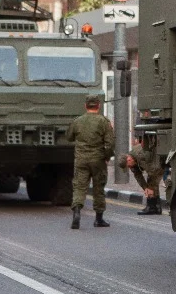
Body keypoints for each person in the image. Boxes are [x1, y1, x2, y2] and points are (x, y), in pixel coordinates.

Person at [66, 95, 114, 229]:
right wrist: (107, 156)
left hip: (81, 159)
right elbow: (110, 144)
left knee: (79, 187)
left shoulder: (77, 121)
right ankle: (99, 219)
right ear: (98, 105)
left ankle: (76, 212)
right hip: (98, 160)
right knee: (99, 188)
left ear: (85, 106)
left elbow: (69, 137)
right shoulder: (103, 122)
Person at [121, 134, 164, 215]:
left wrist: (149, 189)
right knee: (150, 184)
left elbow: (152, 171)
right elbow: (138, 176)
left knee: (151, 181)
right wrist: (145, 188)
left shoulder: (139, 155)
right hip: (153, 164)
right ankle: (156, 207)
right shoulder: (132, 161)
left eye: (128, 166)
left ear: (128, 159)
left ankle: (152, 207)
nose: (129, 167)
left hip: (159, 161)